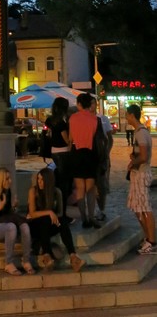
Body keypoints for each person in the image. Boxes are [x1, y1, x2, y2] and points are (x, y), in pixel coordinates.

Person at [27, 168, 85, 272]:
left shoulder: (56, 192)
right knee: (45, 219)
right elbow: (32, 213)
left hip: (50, 223)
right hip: (36, 224)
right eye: (38, 179)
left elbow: (60, 213)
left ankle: (73, 256)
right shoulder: (33, 191)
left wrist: (52, 215)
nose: (39, 182)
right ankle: (47, 255)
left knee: (62, 222)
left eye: (42, 180)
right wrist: (49, 212)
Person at [0, 167, 35, 276]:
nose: (10, 181)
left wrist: (13, 207)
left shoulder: (6, 191)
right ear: (0, 180)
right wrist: (0, 207)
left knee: (24, 226)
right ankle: (9, 263)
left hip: (5, 222)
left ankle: (26, 260)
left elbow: (8, 214)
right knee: (11, 227)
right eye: (7, 179)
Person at [126, 104, 156, 254]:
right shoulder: (140, 132)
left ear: (132, 115)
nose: (126, 117)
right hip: (138, 174)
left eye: (127, 114)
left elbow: (143, 157)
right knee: (138, 208)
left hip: (141, 174)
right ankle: (148, 238)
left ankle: (152, 241)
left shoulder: (140, 134)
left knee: (145, 208)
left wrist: (133, 161)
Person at [68, 92, 100, 228]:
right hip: (90, 153)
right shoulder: (94, 119)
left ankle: (84, 218)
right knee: (90, 189)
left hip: (77, 153)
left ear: (80, 104)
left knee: (80, 188)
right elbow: (93, 135)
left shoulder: (73, 118)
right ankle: (92, 216)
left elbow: (70, 139)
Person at [45, 97, 73, 221]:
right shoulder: (61, 123)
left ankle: (58, 209)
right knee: (64, 184)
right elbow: (67, 140)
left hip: (53, 152)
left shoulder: (50, 121)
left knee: (59, 181)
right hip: (63, 153)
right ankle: (63, 213)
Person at [90, 97, 114, 221]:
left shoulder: (103, 119)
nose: (91, 106)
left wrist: (106, 152)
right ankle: (92, 209)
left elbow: (109, 138)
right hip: (89, 156)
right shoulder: (84, 120)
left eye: (93, 103)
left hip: (101, 157)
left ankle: (101, 209)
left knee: (101, 185)